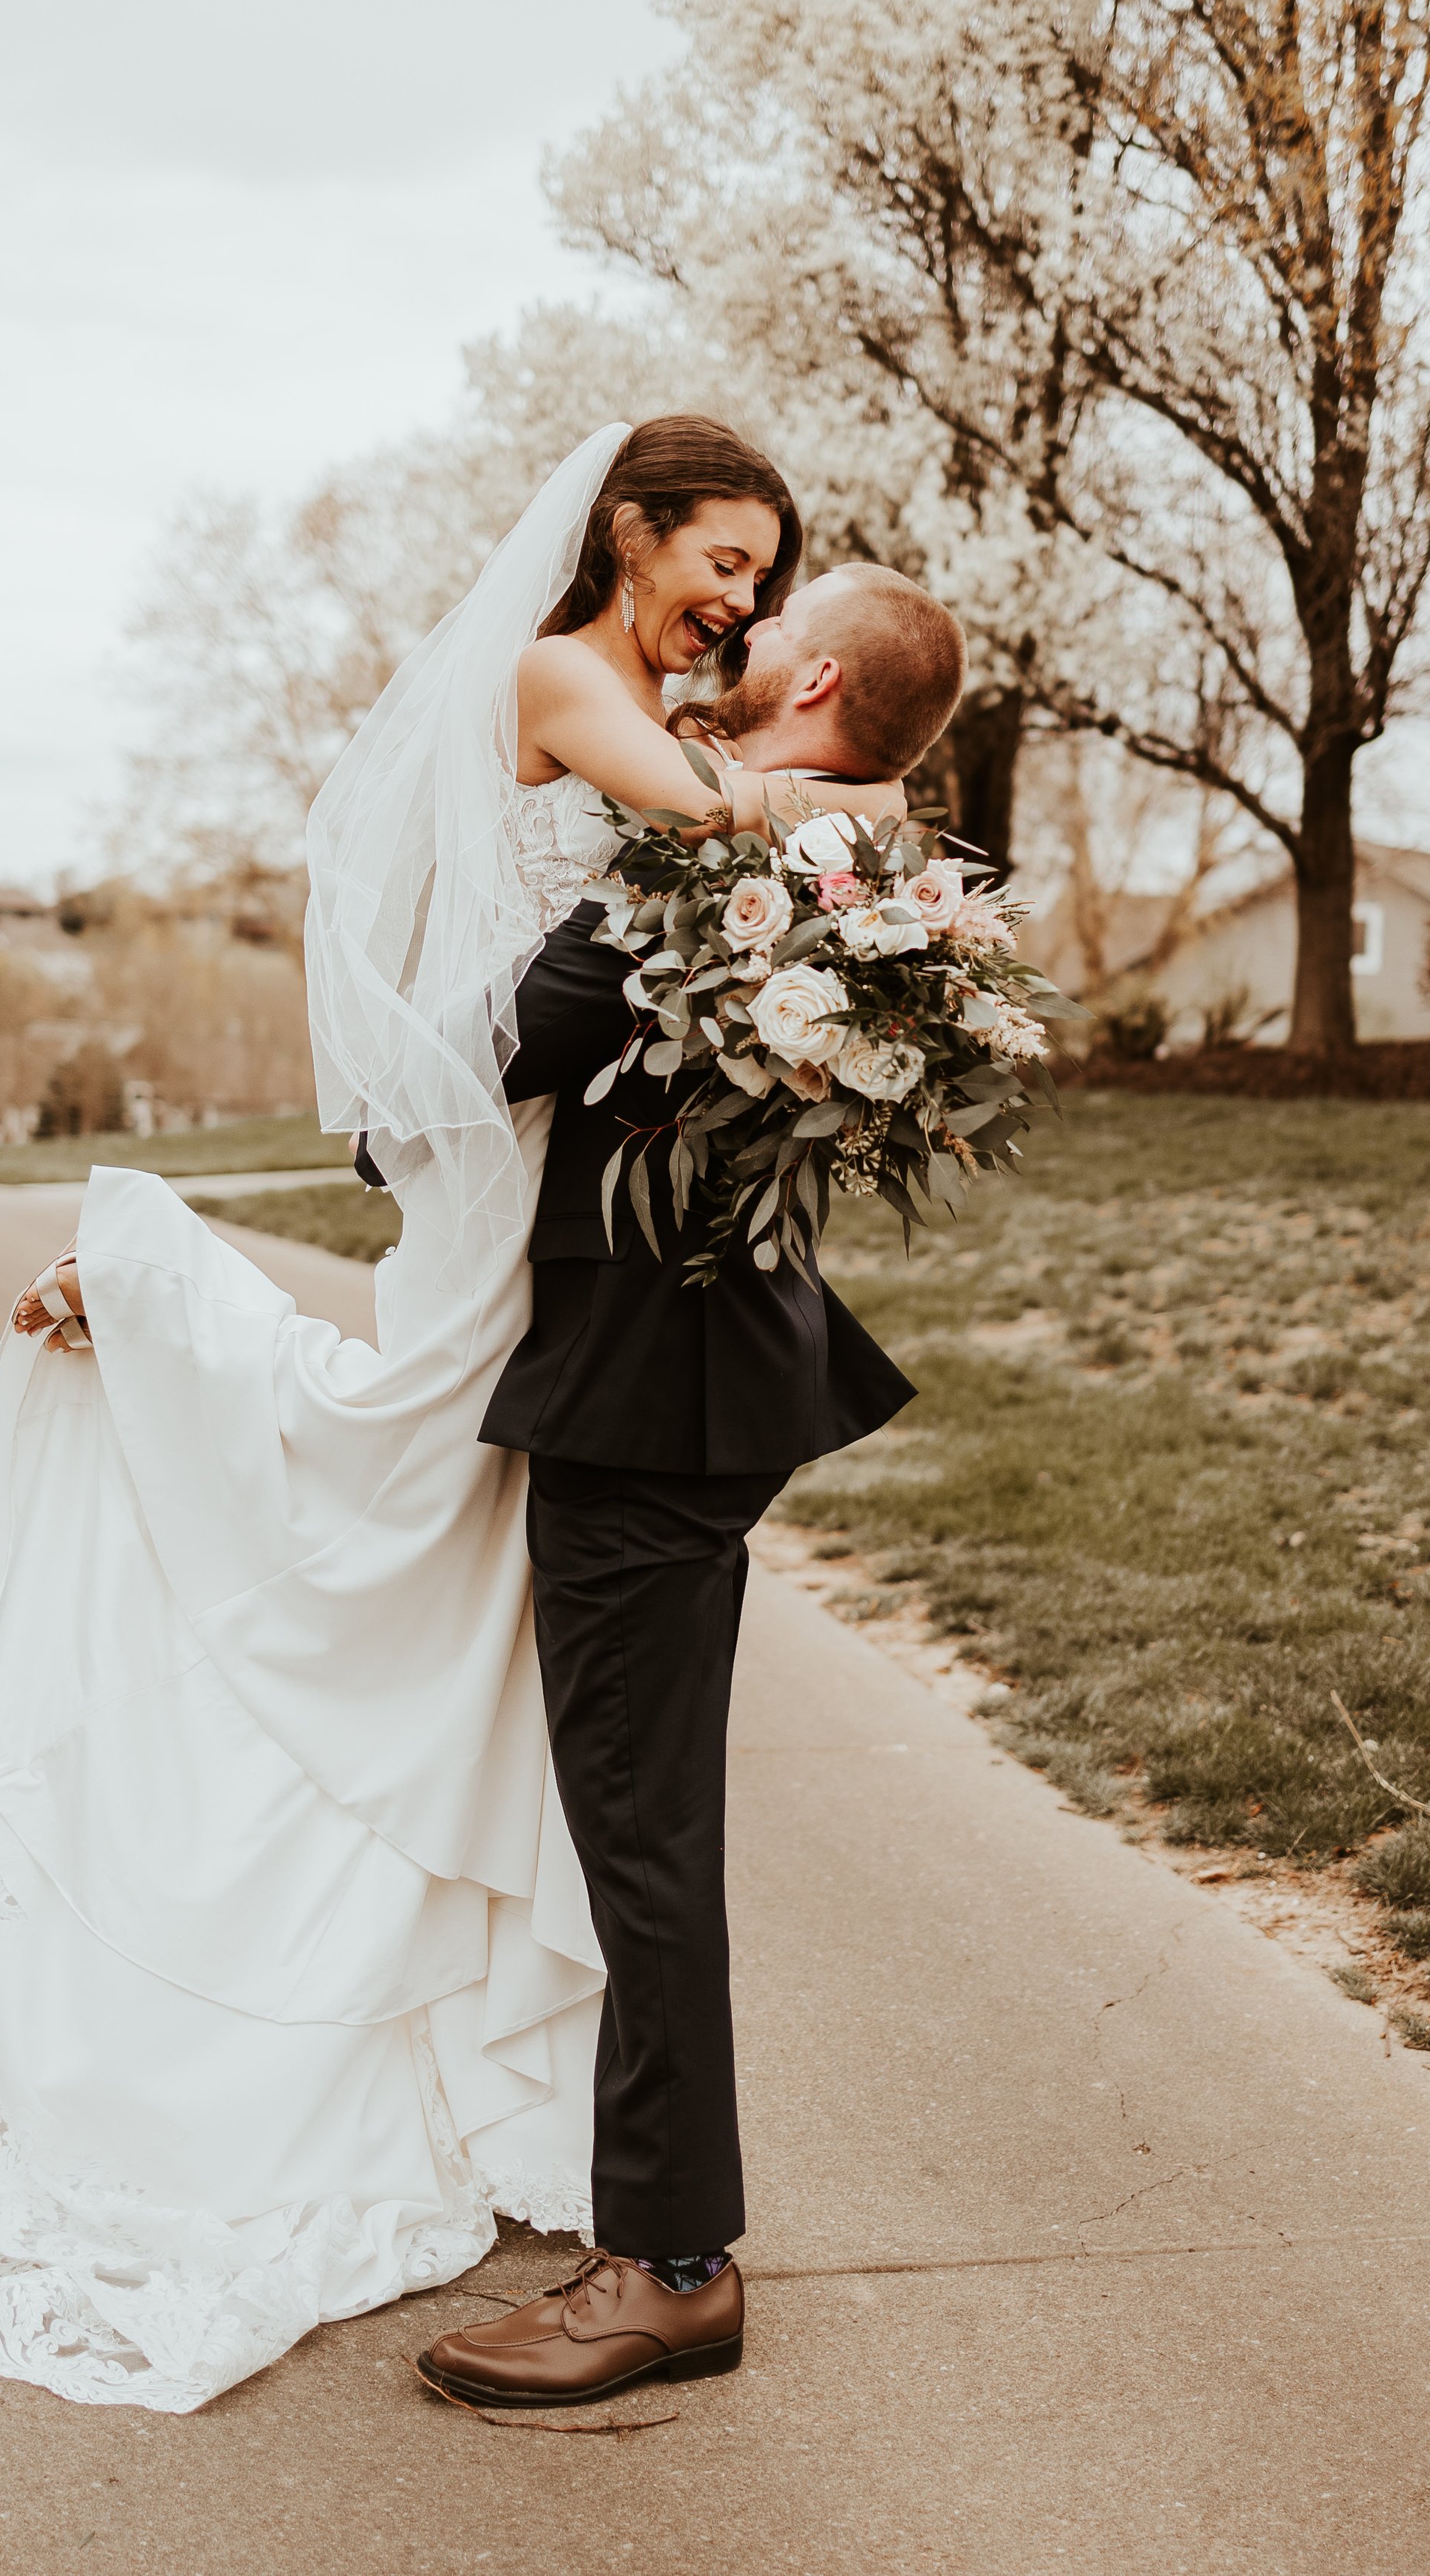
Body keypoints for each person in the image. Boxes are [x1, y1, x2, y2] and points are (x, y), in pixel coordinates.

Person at [0, 418, 915, 2415]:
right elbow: (636, 936)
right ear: (624, 527)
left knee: (484, 1626)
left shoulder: (735, 780)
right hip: (576, 1298)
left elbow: (612, 974)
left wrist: (831, 861)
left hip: (630, 1328)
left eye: (771, 581)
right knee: (417, 1537)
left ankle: (668, 2247)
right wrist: (821, 848)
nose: (741, 603)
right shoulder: (580, 688)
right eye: (725, 558)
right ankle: (142, 1302)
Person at [412, 562, 968, 2411]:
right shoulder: (857, 852)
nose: (728, 637)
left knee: (640, 1826)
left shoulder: (726, 855)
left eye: (763, 618)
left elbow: (504, 1051)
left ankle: (670, 2262)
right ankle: (646, 2211)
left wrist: (377, 1098)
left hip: (648, 1398)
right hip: (695, 1381)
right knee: (633, 1812)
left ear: (810, 674)